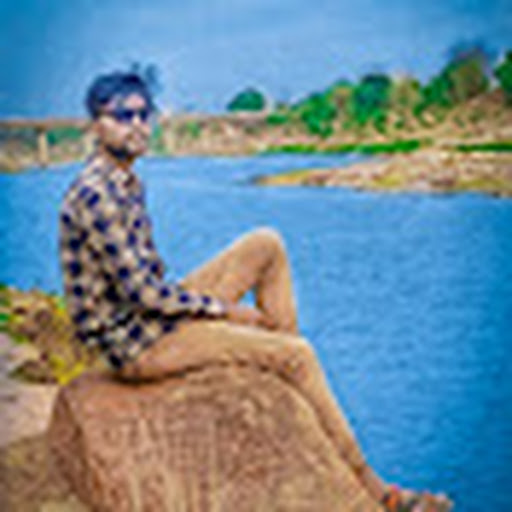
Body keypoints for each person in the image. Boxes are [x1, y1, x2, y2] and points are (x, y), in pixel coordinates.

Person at [58, 70, 453, 512]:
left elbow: (151, 285)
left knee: (266, 244)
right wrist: (222, 311)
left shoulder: (125, 181)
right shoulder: (97, 195)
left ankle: (286, 385)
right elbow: (143, 295)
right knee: (299, 355)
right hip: (138, 343)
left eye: (142, 114)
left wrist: (208, 308)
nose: (136, 125)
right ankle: (379, 492)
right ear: (96, 124)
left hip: (151, 316)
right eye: (121, 115)